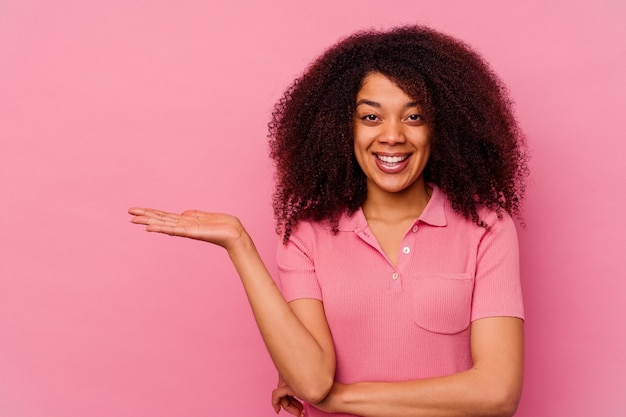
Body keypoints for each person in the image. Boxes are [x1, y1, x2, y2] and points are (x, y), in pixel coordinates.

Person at [129, 25, 528, 417]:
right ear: (342, 128)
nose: (391, 135)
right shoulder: (306, 234)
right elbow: (312, 380)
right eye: (371, 117)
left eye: (414, 117)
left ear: (443, 127)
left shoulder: (486, 228)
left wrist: (339, 399)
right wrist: (239, 243)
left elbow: (497, 392)